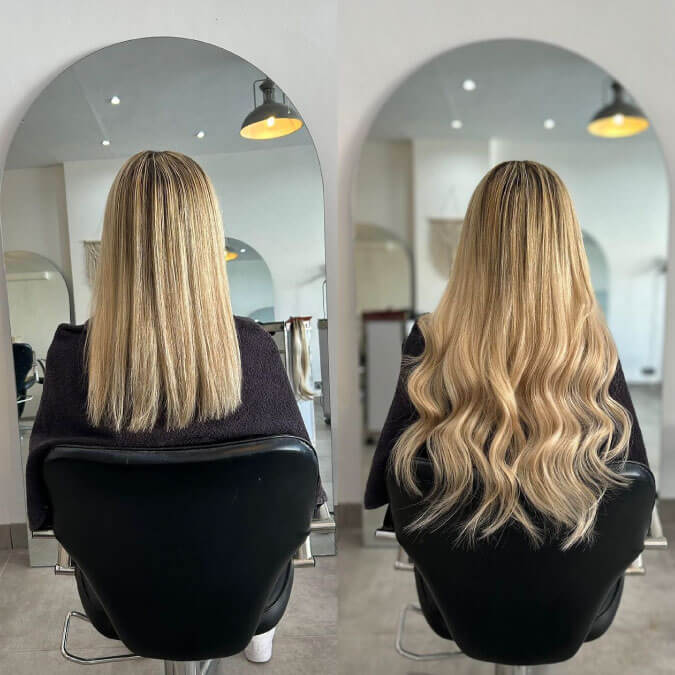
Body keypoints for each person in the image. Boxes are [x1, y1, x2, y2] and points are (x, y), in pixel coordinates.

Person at [26, 150, 324, 663]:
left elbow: (46, 508)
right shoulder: (252, 349)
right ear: (206, 244)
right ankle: (254, 633)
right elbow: (304, 498)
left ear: (115, 246)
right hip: (241, 594)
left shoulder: (72, 356)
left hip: (119, 596)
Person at [365, 160, 648, 550]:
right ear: (566, 244)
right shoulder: (592, 345)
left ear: (473, 242)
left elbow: (393, 484)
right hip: (575, 590)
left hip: (458, 590)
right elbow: (635, 487)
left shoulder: (429, 338)